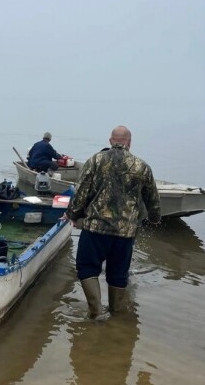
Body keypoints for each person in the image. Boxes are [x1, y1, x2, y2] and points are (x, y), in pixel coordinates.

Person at [67, 126, 161, 320]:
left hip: (96, 228)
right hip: (125, 232)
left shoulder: (95, 160)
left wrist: (73, 214)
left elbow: (82, 191)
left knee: (86, 267)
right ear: (129, 142)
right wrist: (154, 218)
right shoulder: (142, 166)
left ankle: (96, 312)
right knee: (118, 273)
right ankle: (116, 315)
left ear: (110, 141)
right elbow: (152, 198)